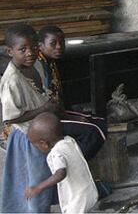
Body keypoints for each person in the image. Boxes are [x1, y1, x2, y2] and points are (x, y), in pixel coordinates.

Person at [0, 24, 63, 212]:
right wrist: (43, 108)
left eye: (34, 47)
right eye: (23, 49)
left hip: (39, 132)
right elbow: (11, 117)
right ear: (9, 51)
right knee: (35, 180)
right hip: (28, 138)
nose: (30, 53)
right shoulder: (11, 81)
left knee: (41, 176)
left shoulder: (34, 66)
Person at [35, 25, 107, 160]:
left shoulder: (49, 62)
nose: (59, 47)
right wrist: (71, 118)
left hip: (54, 113)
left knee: (100, 122)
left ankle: (75, 160)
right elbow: (49, 105)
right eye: (53, 43)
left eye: (61, 43)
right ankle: (71, 164)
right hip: (43, 120)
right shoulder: (38, 66)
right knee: (94, 131)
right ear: (40, 46)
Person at [25, 112, 98, 214]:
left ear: (44, 144)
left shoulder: (56, 153)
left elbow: (60, 174)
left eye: (36, 146)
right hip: (88, 190)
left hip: (77, 199)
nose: (37, 149)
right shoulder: (69, 141)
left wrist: (38, 187)